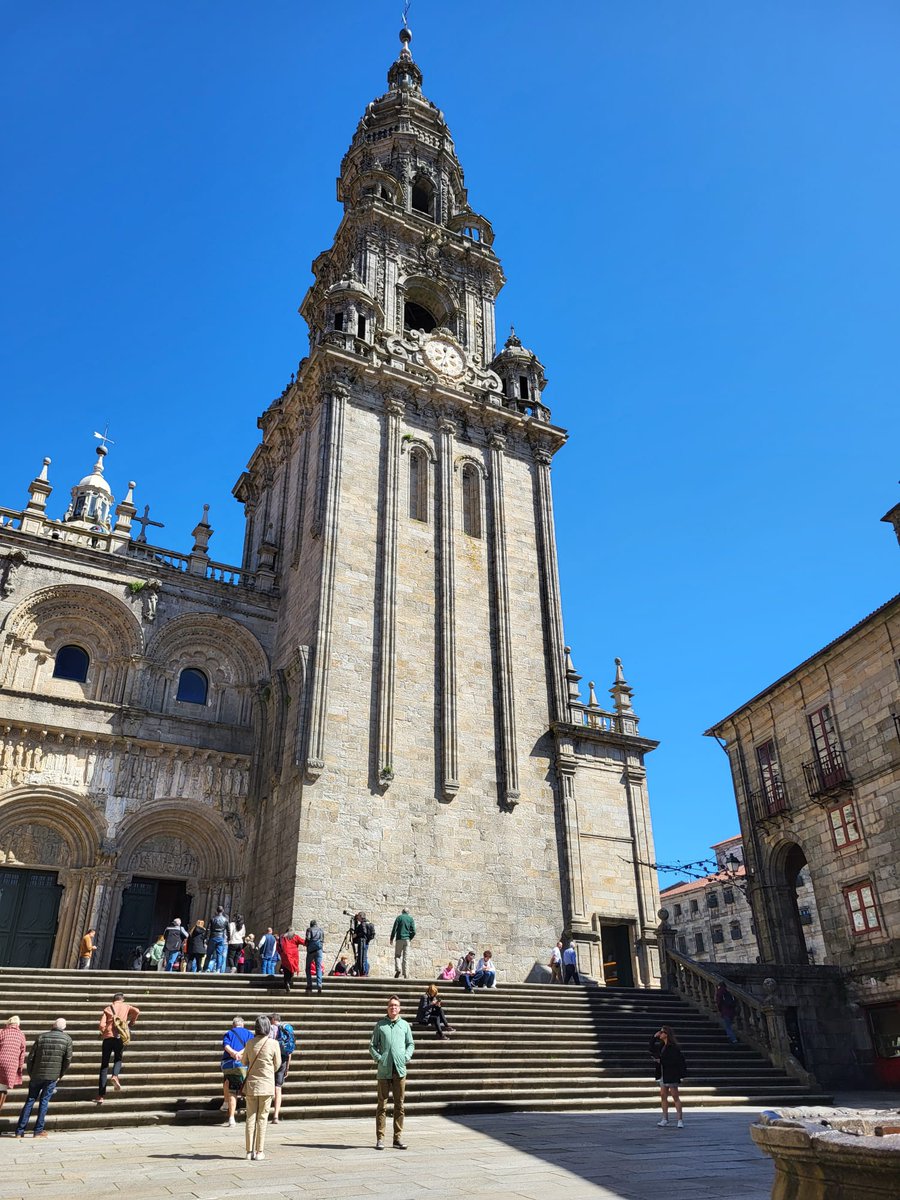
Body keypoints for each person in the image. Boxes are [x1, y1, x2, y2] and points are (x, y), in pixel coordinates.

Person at [14, 1018, 73, 1138]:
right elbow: (67, 1060)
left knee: (30, 1100)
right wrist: (59, 1075)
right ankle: (38, 1131)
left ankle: (20, 1131)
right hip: (52, 1076)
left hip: (36, 1075)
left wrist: (31, 1073)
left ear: (53, 1025)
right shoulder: (67, 1039)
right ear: (64, 1028)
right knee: (44, 1101)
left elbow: (31, 1057)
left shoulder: (41, 1037)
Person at [369, 995, 414, 1150]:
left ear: (399, 1008)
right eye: (391, 1005)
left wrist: (406, 1056)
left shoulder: (404, 1025)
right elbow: (372, 1045)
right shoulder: (380, 1025)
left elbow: (411, 1044)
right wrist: (379, 1058)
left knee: (399, 1105)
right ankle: (380, 1138)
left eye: (395, 1005)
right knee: (382, 1105)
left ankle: (397, 1138)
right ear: (387, 1008)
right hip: (384, 1071)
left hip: (400, 1070)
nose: (393, 1008)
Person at [240, 1014, 281, 1161]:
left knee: (250, 1118)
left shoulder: (250, 1043)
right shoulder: (274, 1044)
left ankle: (248, 1151)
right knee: (262, 1118)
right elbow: (277, 1065)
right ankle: (259, 1151)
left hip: (251, 1085)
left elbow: (244, 1061)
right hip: (267, 1085)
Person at [94, 991, 140, 1104]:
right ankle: (115, 1076)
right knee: (118, 1059)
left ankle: (101, 1096)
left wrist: (104, 1032)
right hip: (120, 1037)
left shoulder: (108, 1008)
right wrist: (132, 1022)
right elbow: (137, 1011)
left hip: (108, 1038)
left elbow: (101, 1025)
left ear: (113, 1000)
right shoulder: (126, 1006)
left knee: (104, 1065)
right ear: (122, 999)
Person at [651, 1025, 687, 1129]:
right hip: (663, 1073)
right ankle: (665, 1118)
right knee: (663, 1096)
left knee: (675, 1096)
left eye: (662, 1032)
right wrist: (654, 1037)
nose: (660, 1033)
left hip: (671, 1074)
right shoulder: (662, 1046)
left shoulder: (673, 1047)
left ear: (667, 1034)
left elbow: (674, 1061)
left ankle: (680, 1120)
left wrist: (660, 1061)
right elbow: (651, 1048)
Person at [220, 1016, 253, 1126]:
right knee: (247, 1087)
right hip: (243, 1065)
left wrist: (233, 1053)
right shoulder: (249, 1034)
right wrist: (240, 1053)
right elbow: (249, 1046)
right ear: (242, 1025)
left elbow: (226, 1046)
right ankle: (251, 1113)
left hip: (229, 1064)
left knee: (231, 1089)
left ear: (233, 1025)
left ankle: (231, 1117)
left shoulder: (229, 1033)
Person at [268, 1011, 295, 1123]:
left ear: (272, 1020)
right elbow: (289, 1051)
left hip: (270, 1059)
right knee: (278, 1088)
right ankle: (276, 1116)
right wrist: (287, 1067)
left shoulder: (271, 1029)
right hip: (283, 1060)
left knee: (268, 1086)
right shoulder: (287, 1029)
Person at [0, 1016, 27, 1114]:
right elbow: (22, 1055)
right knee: (2, 1088)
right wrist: (19, 1069)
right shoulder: (21, 1035)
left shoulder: (2, 1032)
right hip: (11, 1065)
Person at [390, 908, 416, 979]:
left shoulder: (399, 918)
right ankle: (406, 974)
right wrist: (409, 937)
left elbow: (394, 929)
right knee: (406, 957)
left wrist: (391, 938)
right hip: (407, 940)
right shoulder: (410, 919)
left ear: (402, 912)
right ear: (408, 912)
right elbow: (414, 931)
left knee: (397, 956)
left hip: (399, 939)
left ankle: (398, 969)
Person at [278, 927, 304, 993]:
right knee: (291, 971)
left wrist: (280, 953)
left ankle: (286, 983)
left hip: (285, 956)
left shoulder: (282, 937)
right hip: (293, 956)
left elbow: (278, 946)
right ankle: (288, 982)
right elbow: (303, 942)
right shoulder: (295, 937)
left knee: (286, 970)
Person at [206, 905, 230, 974]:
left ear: (216, 911)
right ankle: (218, 969)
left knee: (209, 954)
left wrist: (206, 938)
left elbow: (208, 929)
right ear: (223, 911)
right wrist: (229, 939)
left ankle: (207, 968)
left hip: (213, 937)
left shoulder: (212, 919)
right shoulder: (226, 920)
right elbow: (228, 931)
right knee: (219, 954)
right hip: (221, 938)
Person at [304, 919, 325, 993]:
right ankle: (319, 984)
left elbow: (308, 939)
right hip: (319, 949)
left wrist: (306, 944)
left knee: (308, 967)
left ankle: (309, 985)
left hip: (311, 950)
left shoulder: (309, 930)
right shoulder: (321, 930)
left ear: (311, 924)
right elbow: (322, 940)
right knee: (318, 967)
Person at [352, 911, 374, 976]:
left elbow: (363, 932)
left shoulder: (363, 924)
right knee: (365, 957)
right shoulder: (369, 923)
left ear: (361, 916)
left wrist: (356, 935)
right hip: (366, 942)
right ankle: (365, 971)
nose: (357, 917)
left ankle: (364, 971)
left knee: (363, 957)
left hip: (363, 942)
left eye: (358, 916)